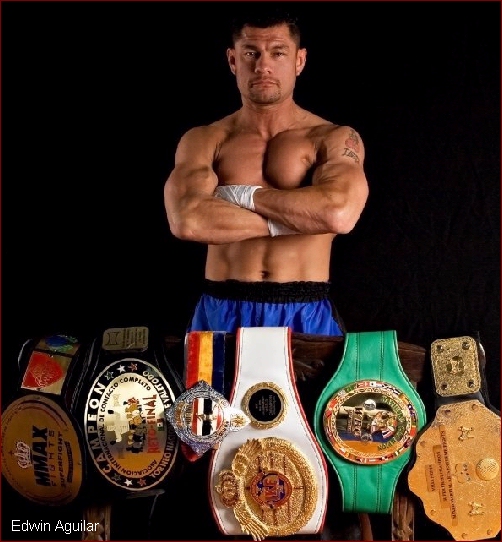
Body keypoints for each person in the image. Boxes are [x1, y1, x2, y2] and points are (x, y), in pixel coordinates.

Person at [164, 8, 369, 338]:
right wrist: (297, 219)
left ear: (299, 61)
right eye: (251, 53)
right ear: (233, 60)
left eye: (277, 53)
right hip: (221, 308)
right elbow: (188, 220)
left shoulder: (332, 138)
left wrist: (238, 196)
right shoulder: (204, 139)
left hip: (303, 310)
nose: (263, 66)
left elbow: (337, 213)